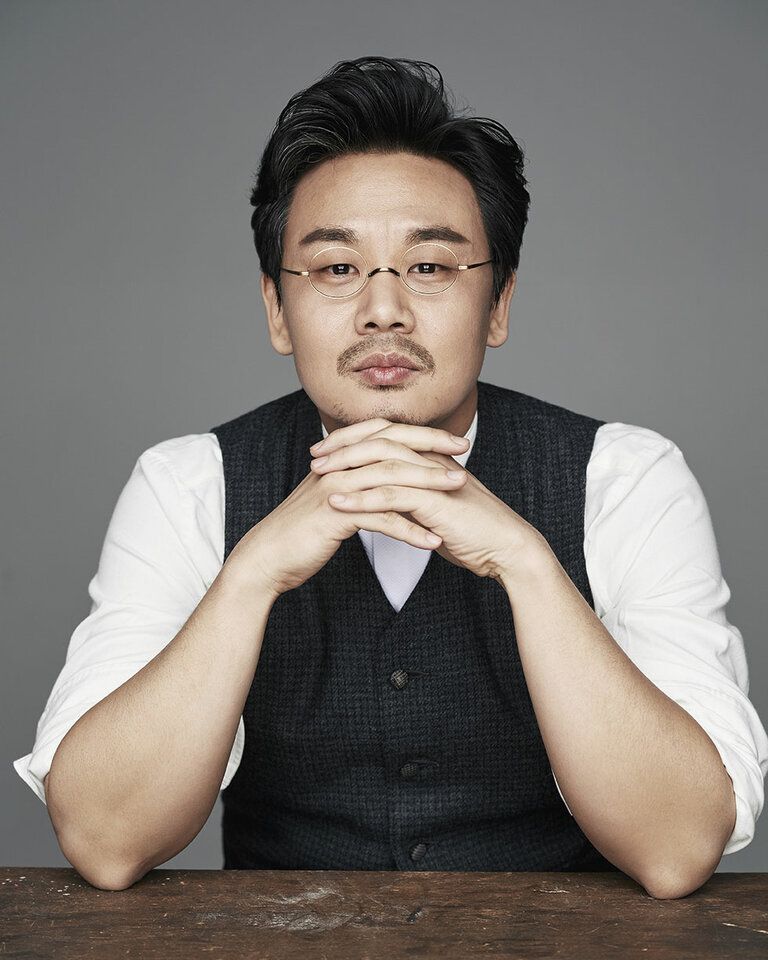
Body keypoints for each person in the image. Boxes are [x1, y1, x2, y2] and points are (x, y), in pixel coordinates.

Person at [13, 56, 767, 897]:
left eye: (430, 267)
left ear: (499, 302)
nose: (383, 311)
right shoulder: (190, 485)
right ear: (277, 310)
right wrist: (252, 573)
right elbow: (107, 840)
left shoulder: (623, 479)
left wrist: (526, 563)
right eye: (337, 269)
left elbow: (676, 849)